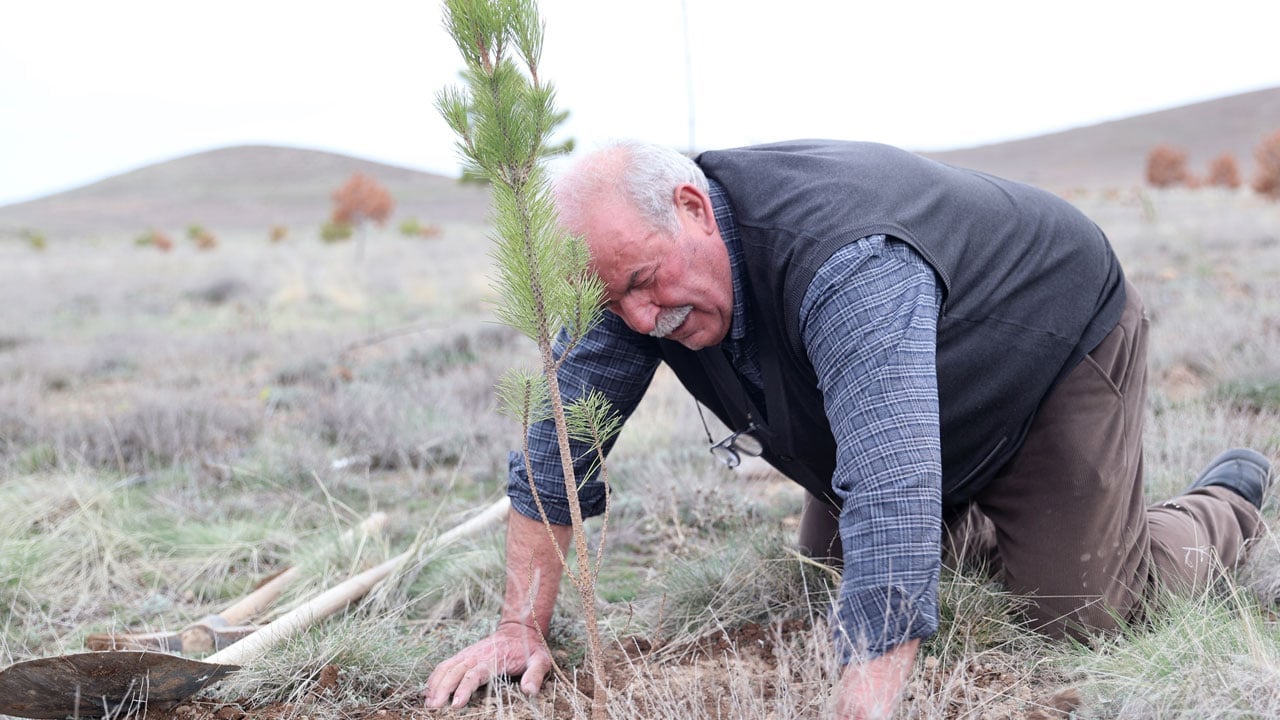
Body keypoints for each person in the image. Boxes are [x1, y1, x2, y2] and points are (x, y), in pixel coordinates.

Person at [423, 140, 1272, 718]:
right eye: (616, 303)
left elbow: (891, 480)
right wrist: (519, 627)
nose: (645, 319)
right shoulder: (626, 284)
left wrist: (865, 696)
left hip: (1046, 347)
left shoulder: (843, 258)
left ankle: (1222, 503)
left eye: (646, 282)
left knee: (1077, 610)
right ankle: (987, 523)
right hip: (914, 390)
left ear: (692, 208)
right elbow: (557, 451)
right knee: (831, 576)